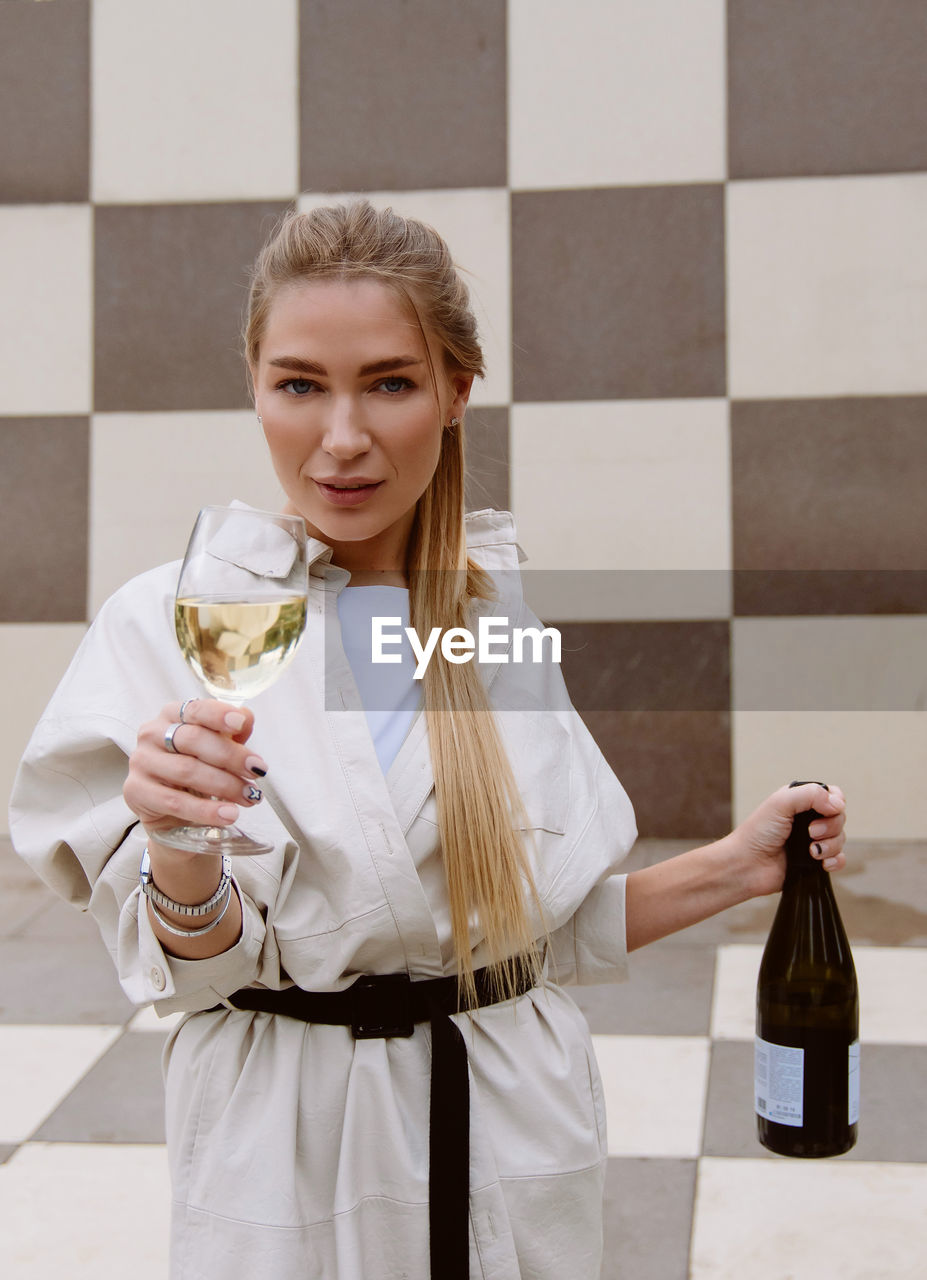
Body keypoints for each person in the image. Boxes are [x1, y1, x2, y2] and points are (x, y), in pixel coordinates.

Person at [9, 202, 846, 1280]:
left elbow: (529, 930)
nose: (342, 436)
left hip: (508, 1121)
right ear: (256, 388)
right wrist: (178, 843)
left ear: (456, 391)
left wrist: (740, 863)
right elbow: (195, 974)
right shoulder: (166, 623)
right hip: (289, 1143)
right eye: (300, 383)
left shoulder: (490, 619)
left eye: (390, 383)